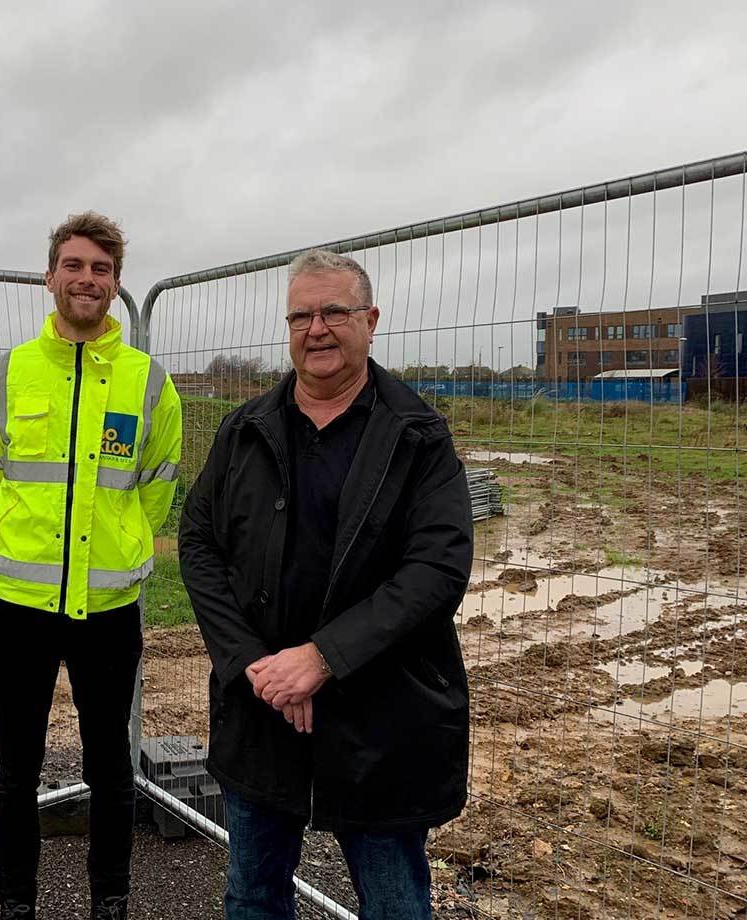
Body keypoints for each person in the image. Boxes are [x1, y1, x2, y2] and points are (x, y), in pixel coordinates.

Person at [179, 249, 472, 920]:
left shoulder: (417, 436)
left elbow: (438, 569)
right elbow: (198, 543)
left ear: (370, 320)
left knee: (395, 903)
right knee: (253, 894)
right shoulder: (244, 429)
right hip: (262, 715)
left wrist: (322, 660)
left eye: (334, 311)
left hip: (380, 721)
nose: (317, 328)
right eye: (302, 314)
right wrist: (254, 666)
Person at [0, 211, 182, 920]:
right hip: (19, 609)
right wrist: (23, 541)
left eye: (102, 269)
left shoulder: (150, 383)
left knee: (111, 769)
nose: (88, 279)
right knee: (14, 770)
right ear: (49, 275)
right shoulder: (6, 374)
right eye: (75, 265)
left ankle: (109, 903)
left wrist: (119, 545)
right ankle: (15, 905)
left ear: (116, 286)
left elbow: (157, 486)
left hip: (108, 611)